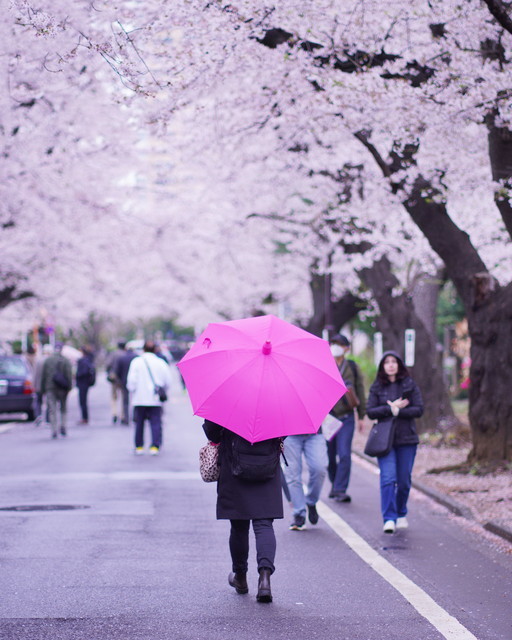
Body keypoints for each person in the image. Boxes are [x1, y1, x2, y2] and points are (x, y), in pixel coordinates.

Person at [202, 419, 283, 603]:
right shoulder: (276, 396)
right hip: (267, 463)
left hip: (234, 463)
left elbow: (212, 432)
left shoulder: (227, 395)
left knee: (238, 525)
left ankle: (240, 576)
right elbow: (283, 432)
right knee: (264, 524)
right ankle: (264, 580)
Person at [366, 350, 424, 534]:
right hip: (385, 441)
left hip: (407, 438)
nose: (390, 365)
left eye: (394, 361)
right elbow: (370, 411)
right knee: (388, 478)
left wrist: (400, 412)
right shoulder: (377, 387)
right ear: (382, 366)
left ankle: (401, 512)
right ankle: (389, 518)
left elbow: (419, 409)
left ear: (399, 364)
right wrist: (390, 408)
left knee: (404, 480)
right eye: (387, 362)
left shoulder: (409, 384)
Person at [327, 333, 366, 503]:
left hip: (347, 417)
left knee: (344, 454)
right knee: (329, 456)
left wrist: (362, 415)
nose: (335, 347)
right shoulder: (325, 365)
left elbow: (360, 390)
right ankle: (334, 484)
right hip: (328, 418)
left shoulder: (352, 366)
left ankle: (340, 489)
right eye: (333, 343)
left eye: (339, 344)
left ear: (346, 348)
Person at [126, 341, 171, 455]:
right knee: (156, 422)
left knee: (139, 423)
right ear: (155, 349)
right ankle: (155, 447)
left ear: (143, 349)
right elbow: (167, 381)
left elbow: (131, 382)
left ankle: (139, 447)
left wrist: (134, 390)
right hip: (155, 399)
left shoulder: (136, 362)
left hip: (139, 399)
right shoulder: (160, 362)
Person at [283, 427, 328, 531]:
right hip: (289, 434)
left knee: (319, 469)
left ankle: (311, 501)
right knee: (293, 476)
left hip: (315, 433)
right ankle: (299, 513)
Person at [40, 343, 72, 439]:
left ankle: (53, 429)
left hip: (50, 387)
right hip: (62, 388)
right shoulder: (66, 361)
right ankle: (63, 426)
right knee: (63, 408)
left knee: (52, 409)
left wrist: (42, 389)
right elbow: (69, 376)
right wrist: (69, 387)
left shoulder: (47, 360)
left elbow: (43, 376)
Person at [114, 345, 137, 425]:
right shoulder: (137, 358)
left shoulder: (122, 358)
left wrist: (119, 380)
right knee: (135, 399)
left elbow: (117, 371)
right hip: (135, 382)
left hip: (124, 381)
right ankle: (135, 417)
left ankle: (126, 418)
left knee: (125, 400)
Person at [106, 341, 127, 424]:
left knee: (114, 397)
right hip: (123, 378)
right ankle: (122, 415)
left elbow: (108, 364)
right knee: (123, 397)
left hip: (114, 378)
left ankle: (114, 413)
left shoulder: (113, 354)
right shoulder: (125, 354)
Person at [75, 345, 96, 425]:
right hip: (85, 383)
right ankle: (85, 417)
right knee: (83, 401)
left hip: (82, 383)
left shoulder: (83, 361)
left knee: (82, 401)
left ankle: (84, 418)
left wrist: (77, 375)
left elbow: (82, 372)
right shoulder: (88, 360)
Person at [33, 343, 53, 425]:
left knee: (38, 401)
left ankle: (38, 416)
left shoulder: (39, 360)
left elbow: (35, 374)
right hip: (49, 385)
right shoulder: (51, 361)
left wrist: (34, 384)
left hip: (38, 384)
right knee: (49, 401)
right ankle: (48, 418)